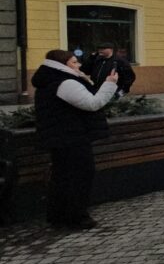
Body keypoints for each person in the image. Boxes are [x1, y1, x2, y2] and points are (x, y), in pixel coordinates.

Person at [32, 50, 118, 229]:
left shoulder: (51, 80)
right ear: (62, 64)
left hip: (61, 137)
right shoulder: (66, 83)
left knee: (63, 177)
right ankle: (77, 217)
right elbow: (92, 103)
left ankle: (59, 216)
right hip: (72, 138)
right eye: (74, 62)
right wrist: (110, 84)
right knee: (79, 177)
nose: (78, 65)